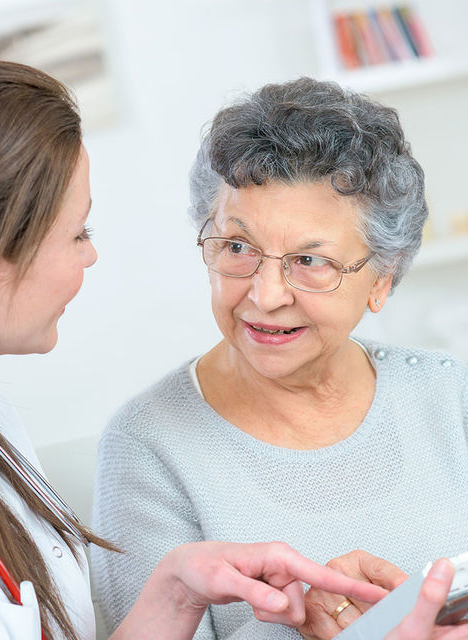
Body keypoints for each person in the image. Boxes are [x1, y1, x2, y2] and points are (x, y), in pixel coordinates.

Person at [0, 61, 395, 640]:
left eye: (310, 259)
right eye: (79, 234)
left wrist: (176, 593)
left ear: (384, 278)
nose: (89, 257)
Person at [91, 77, 468, 640]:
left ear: (382, 278)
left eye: (310, 260)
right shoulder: (146, 446)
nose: (266, 295)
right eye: (238, 248)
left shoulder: (451, 393)